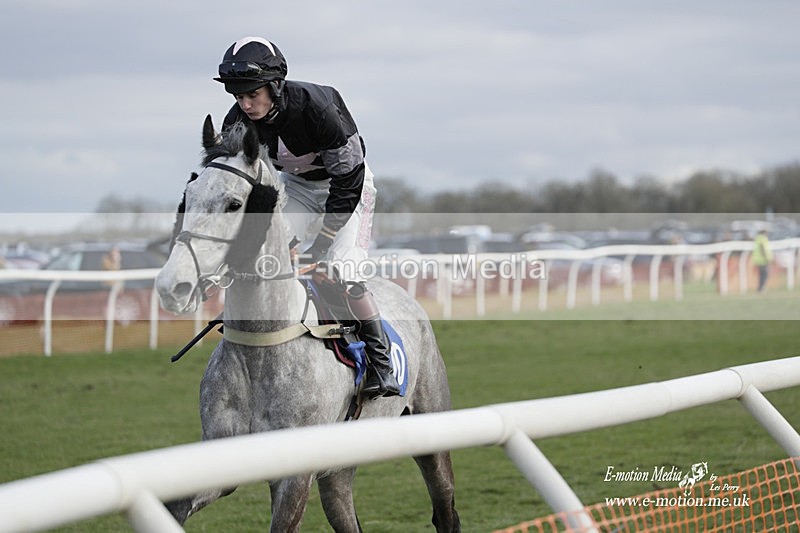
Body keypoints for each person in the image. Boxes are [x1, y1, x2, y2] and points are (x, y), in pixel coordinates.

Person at [214, 36, 400, 399]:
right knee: (265, 257)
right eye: (239, 97)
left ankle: (382, 363)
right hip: (296, 188)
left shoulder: (319, 107)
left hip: (349, 188)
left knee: (339, 271)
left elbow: (348, 180)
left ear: (275, 86)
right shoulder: (236, 121)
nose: (246, 104)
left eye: (253, 94)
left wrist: (322, 245)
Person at [752, 229, 773, 293]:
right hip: (763, 259)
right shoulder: (762, 238)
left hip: (759, 259)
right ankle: (762, 287)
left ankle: (760, 287)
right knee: (764, 274)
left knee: (762, 274)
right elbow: (763, 248)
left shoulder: (758, 238)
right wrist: (766, 257)